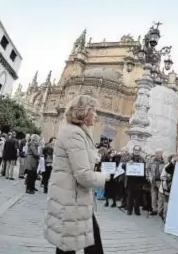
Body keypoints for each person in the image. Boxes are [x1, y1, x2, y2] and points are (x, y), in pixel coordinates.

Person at [44, 95, 110, 254]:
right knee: (72, 243)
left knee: (74, 242)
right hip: (71, 199)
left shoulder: (77, 132)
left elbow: (78, 159)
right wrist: (105, 177)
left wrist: (95, 156)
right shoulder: (75, 133)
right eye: (93, 111)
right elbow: (83, 175)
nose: (96, 115)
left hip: (75, 199)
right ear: (84, 112)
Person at [147, 149, 166, 216]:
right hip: (153, 180)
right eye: (156, 153)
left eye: (158, 153)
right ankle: (154, 209)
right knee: (153, 196)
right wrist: (149, 176)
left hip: (160, 181)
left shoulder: (164, 161)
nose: (157, 154)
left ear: (161, 153)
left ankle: (160, 210)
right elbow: (148, 169)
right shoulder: (151, 161)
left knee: (161, 196)